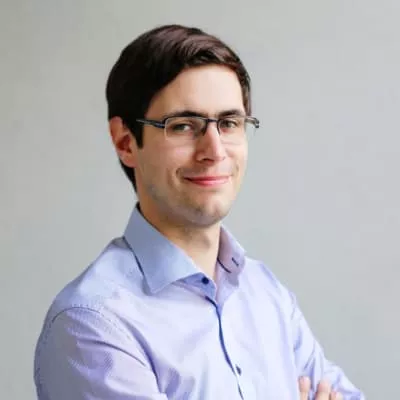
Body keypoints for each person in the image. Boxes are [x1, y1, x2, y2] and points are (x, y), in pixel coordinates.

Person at [33, 24, 365, 400]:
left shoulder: (265, 293)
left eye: (229, 123)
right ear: (126, 142)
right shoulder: (92, 324)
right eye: (183, 126)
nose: (214, 150)